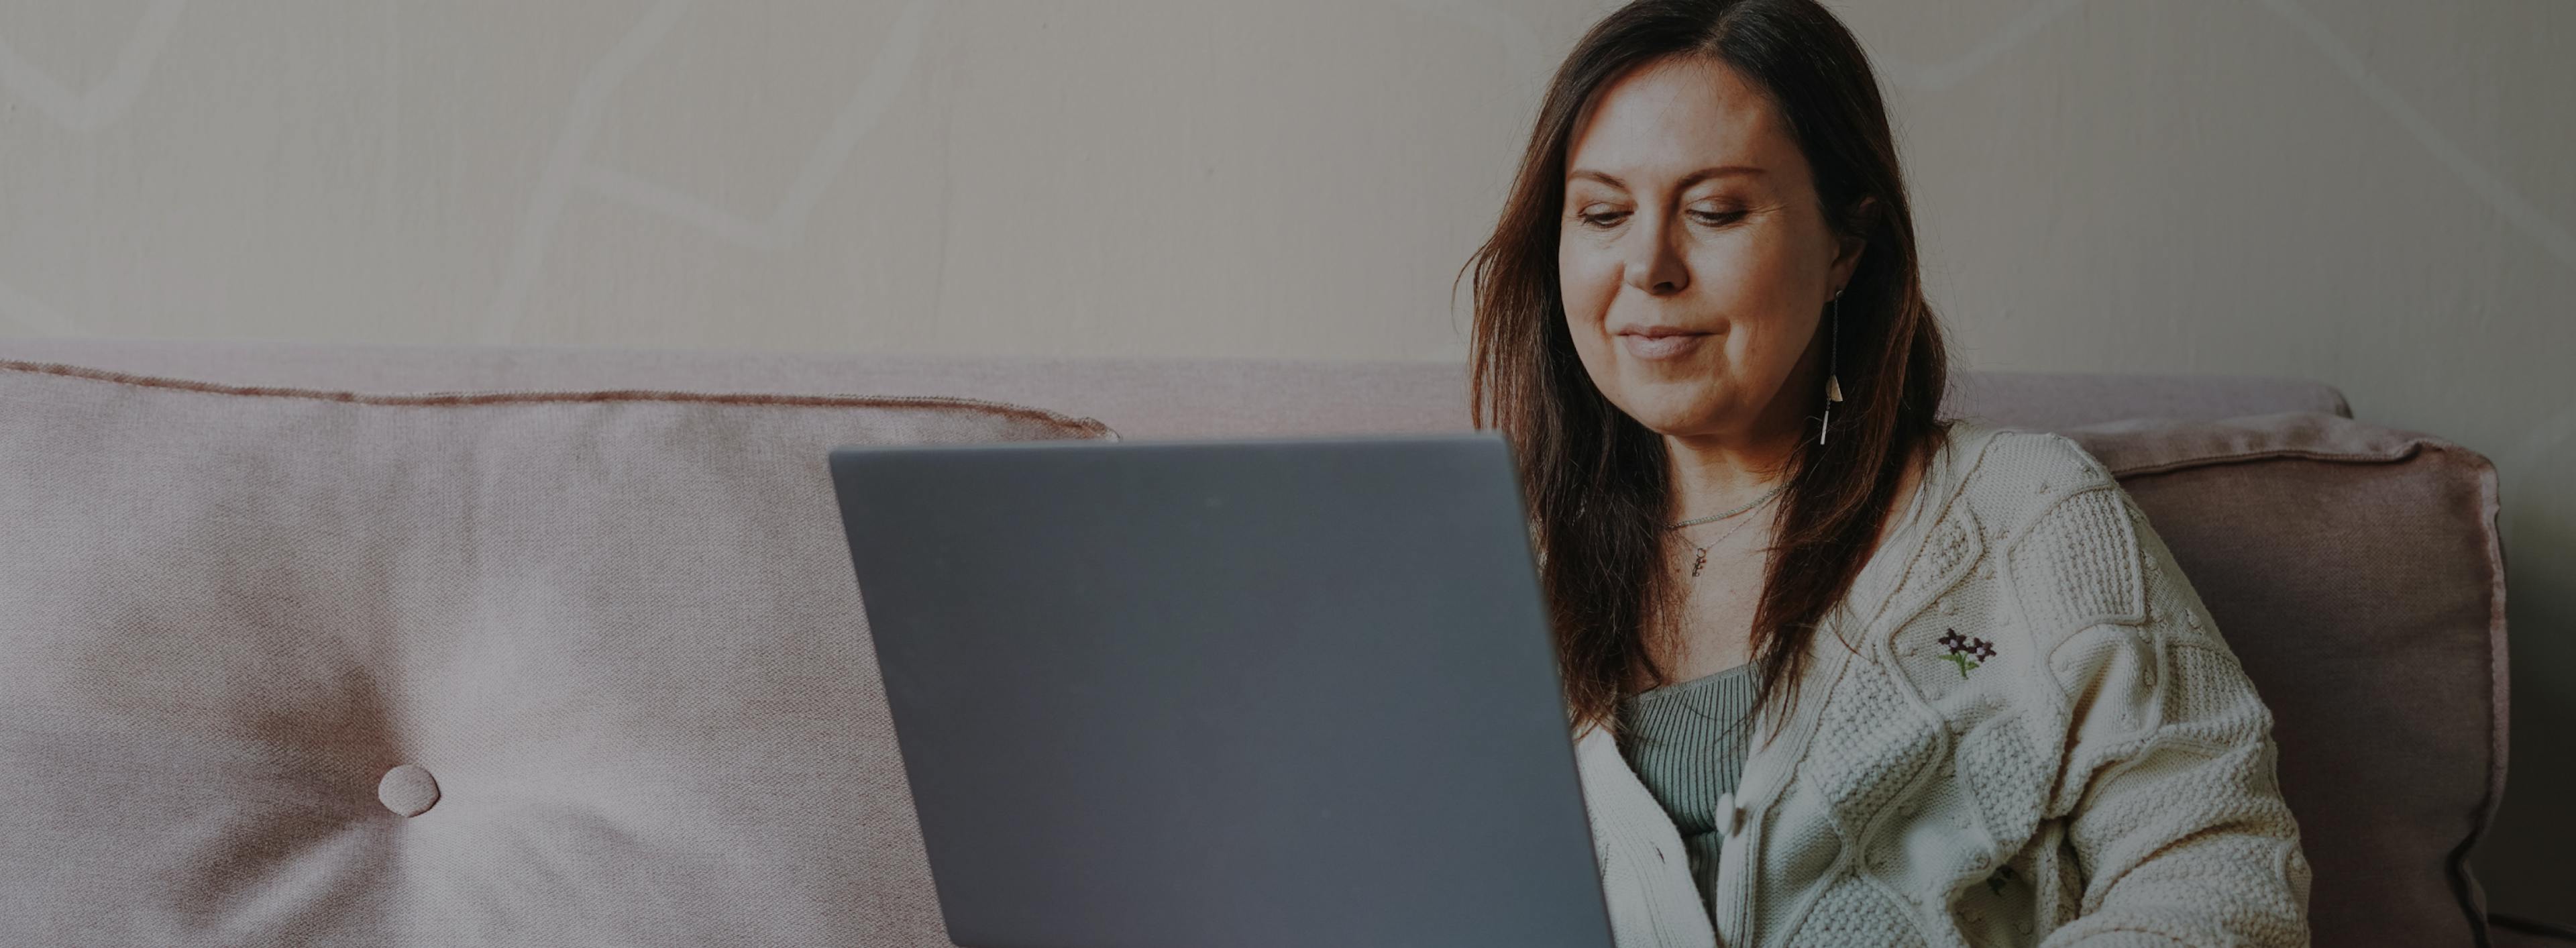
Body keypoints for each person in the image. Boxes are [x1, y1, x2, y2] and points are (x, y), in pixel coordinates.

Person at [1460, 1, 2314, 945]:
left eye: (1715, 211)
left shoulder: (2027, 513)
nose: (1649, 264)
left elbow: (2219, 876)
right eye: (1603, 213)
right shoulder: (1493, 571)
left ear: (1846, 247)